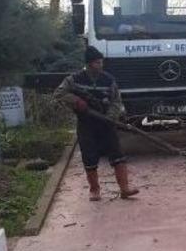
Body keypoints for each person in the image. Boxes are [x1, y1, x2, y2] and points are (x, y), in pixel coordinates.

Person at [53, 46, 139, 201]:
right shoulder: (74, 79)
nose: (101, 65)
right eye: (97, 62)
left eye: (101, 62)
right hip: (86, 124)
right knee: (89, 156)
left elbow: (116, 101)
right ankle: (94, 190)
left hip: (106, 124)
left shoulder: (108, 80)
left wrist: (111, 116)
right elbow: (59, 93)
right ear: (89, 64)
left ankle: (124, 188)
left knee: (117, 155)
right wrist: (76, 101)